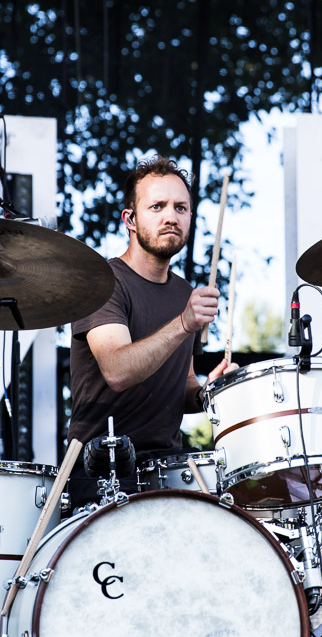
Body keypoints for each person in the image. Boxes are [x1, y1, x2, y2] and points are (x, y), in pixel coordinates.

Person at [67, 155, 237, 508]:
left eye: (181, 208)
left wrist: (212, 392)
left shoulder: (182, 292)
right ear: (130, 219)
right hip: (103, 469)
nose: (171, 217)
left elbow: (184, 389)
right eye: (157, 206)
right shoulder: (102, 283)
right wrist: (183, 323)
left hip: (167, 469)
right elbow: (117, 371)